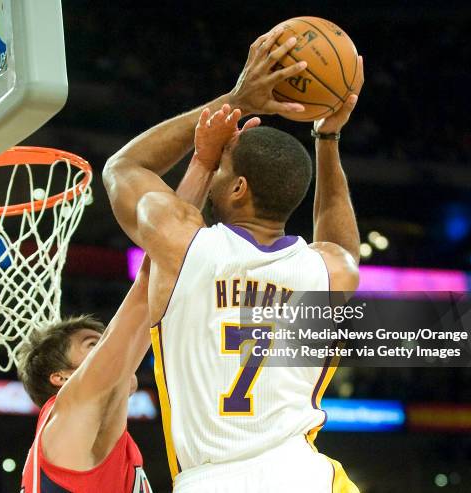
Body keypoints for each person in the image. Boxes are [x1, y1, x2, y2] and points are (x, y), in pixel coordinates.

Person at [103, 24, 363, 493]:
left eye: (225, 166)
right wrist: (328, 139)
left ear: (238, 187)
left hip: (213, 481)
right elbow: (342, 242)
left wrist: (235, 101)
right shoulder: (327, 271)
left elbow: (123, 168)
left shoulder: (185, 247)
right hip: (310, 479)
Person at [17, 134, 221, 492]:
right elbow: (147, 286)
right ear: (61, 379)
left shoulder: (107, 438)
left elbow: (156, 272)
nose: (108, 348)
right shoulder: (68, 416)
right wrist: (203, 163)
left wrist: (205, 162)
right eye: (91, 345)